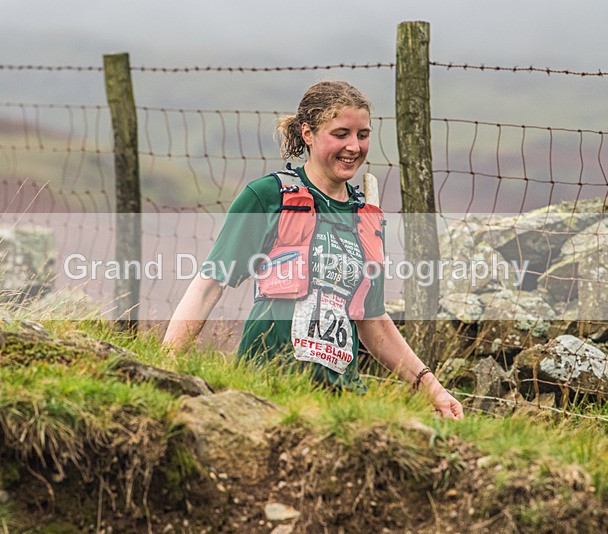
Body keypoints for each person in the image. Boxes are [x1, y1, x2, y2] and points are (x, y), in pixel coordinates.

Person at [163, 80, 463, 420]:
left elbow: (372, 320)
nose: (354, 146)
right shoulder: (268, 196)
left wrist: (432, 388)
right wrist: (167, 365)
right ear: (308, 133)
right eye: (341, 134)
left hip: (342, 399)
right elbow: (208, 285)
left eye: (363, 135)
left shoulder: (367, 218)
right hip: (265, 386)